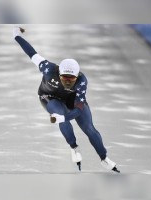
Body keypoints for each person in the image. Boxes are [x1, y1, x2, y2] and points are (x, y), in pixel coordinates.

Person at [13, 27, 119, 173]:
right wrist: (16, 35)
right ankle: (74, 147)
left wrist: (63, 117)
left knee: (90, 129)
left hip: (72, 99)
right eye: (64, 78)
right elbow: (31, 53)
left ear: (77, 76)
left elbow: (78, 109)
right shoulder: (49, 69)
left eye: (71, 79)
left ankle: (104, 158)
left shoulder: (82, 81)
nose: (68, 82)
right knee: (60, 114)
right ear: (59, 73)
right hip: (49, 97)